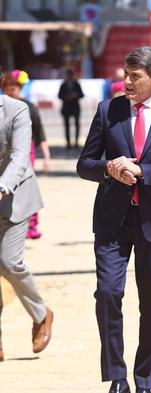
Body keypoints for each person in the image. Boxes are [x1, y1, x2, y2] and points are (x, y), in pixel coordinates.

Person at [76, 47, 151, 393]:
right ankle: (117, 376)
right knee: (108, 294)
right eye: (125, 74)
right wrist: (109, 169)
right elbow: (85, 164)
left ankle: (145, 380)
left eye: (135, 76)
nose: (126, 81)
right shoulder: (107, 110)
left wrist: (141, 171)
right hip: (113, 220)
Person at [0, 73, 53, 362]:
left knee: (8, 261)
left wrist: (1, 186)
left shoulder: (16, 109)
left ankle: (41, 315)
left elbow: (21, 156)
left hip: (15, 196)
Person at [2, 70, 51, 240]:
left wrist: (46, 157)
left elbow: (40, 134)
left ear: (20, 88)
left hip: (24, 154)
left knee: (25, 188)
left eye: (13, 89)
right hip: (5, 155)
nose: (10, 92)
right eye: (7, 89)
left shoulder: (29, 107)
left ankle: (31, 226)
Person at [58, 68, 84, 149]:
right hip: (66, 108)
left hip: (75, 108)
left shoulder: (76, 84)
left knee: (77, 125)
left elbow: (82, 94)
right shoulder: (63, 85)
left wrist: (75, 95)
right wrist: (66, 97)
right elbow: (59, 96)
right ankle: (68, 143)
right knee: (67, 126)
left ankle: (76, 142)